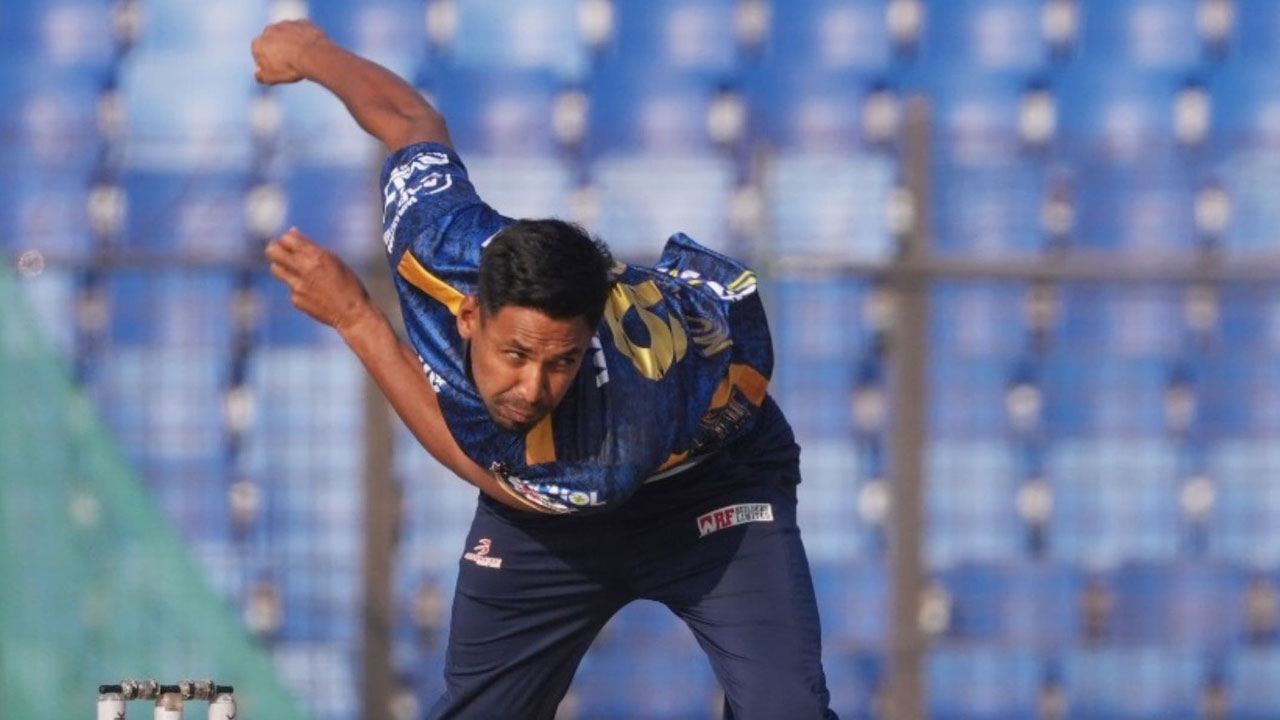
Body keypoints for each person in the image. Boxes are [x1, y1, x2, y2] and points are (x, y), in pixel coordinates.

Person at [252, 19, 839, 720]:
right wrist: (314, 53)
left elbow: (480, 464)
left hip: (709, 485)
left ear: (589, 336)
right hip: (543, 511)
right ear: (470, 313)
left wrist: (357, 319)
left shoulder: (616, 418)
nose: (533, 387)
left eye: (562, 362)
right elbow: (409, 119)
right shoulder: (440, 237)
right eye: (516, 354)